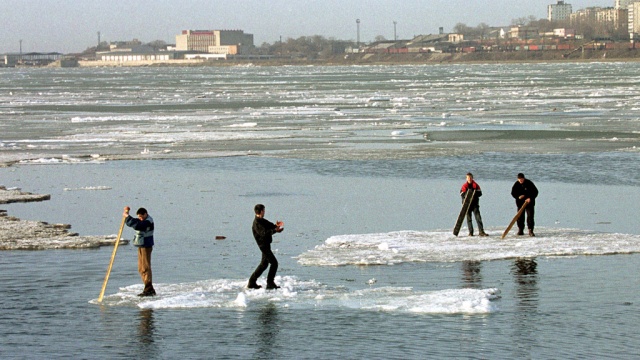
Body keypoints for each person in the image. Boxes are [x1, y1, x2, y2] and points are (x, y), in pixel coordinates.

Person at [247, 204, 284, 290]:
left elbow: (270, 225)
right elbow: (264, 234)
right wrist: (275, 230)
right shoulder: (257, 223)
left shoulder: (261, 220)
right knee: (274, 263)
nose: (265, 212)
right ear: (260, 212)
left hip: (266, 245)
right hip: (263, 246)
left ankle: (252, 282)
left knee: (264, 264)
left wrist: (276, 226)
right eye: (264, 210)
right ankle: (270, 283)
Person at [124, 206, 156, 297]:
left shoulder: (148, 221)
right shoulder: (142, 220)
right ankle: (148, 287)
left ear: (145, 214)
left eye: (141, 217)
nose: (140, 218)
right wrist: (127, 217)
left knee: (146, 267)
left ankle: (149, 288)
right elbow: (134, 222)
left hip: (146, 246)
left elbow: (138, 225)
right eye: (139, 217)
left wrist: (127, 217)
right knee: (141, 268)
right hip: (141, 245)